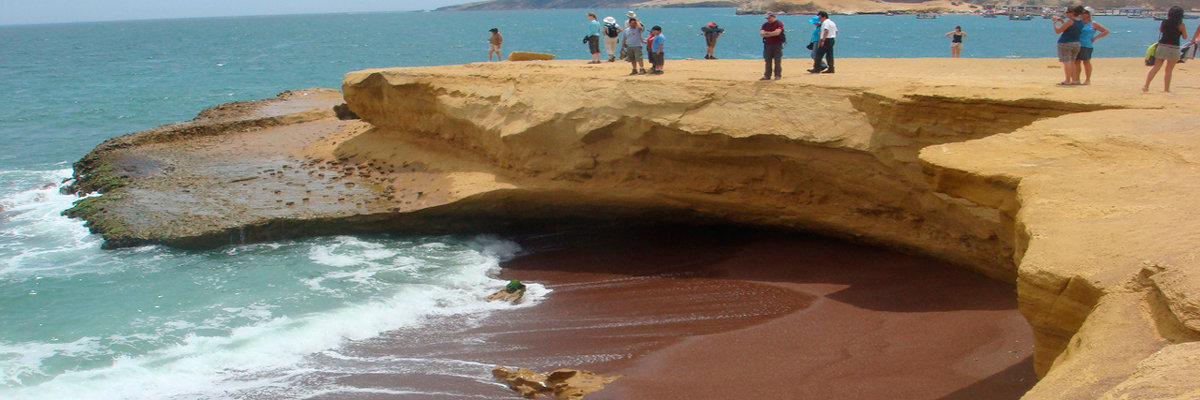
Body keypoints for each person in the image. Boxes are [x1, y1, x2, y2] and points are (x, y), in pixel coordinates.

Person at [1144, 6, 1187, 92]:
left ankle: (1146, 86)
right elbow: (1185, 37)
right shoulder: (1181, 24)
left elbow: (1161, 30)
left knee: (1156, 67)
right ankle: (1166, 89)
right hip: (1174, 48)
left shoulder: (1164, 22)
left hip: (1163, 46)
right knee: (1169, 70)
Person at [1074, 8, 1109, 85]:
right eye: (1081, 13)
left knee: (1086, 62)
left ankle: (1087, 80)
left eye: (1084, 13)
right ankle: (1076, 79)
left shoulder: (1093, 23)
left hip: (1087, 45)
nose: (1082, 15)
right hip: (1077, 44)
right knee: (1076, 62)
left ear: (1088, 14)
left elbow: (1106, 31)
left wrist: (1095, 38)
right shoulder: (1079, 22)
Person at [1052, 6, 1085, 85]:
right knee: (1072, 62)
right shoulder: (1080, 21)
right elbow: (1070, 29)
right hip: (1076, 43)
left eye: (1067, 12)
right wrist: (1063, 21)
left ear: (1072, 13)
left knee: (1067, 62)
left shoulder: (1070, 21)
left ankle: (1067, 80)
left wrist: (1055, 22)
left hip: (1065, 43)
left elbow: (1058, 30)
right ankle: (1074, 80)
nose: (1066, 14)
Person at [760, 12, 784, 80]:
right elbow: (761, 34)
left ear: (773, 16)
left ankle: (777, 75)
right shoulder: (765, 24)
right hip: (767, 45)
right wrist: (771, 33)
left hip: (777, 45)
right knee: (767, 60)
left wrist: (767, 33)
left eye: (769, 17)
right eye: (767, 18)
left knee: (777, 60)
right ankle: (767, 75)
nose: (768, 19)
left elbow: (777, 33)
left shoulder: (779, 23)